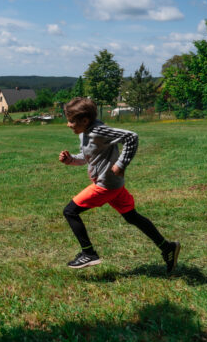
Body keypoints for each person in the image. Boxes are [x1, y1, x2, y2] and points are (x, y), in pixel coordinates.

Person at [58, 97, 180, 272]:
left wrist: (121, 164)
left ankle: (89, 253)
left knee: (70, 211)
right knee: (132, 217)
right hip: (114, 186)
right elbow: (87, 157)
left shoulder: (98, 131)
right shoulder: (85, 133)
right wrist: (71, 160)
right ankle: (167, 247)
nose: (68, 125)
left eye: (71, 121)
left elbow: (131, 137)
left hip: (106, 185)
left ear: (84, 120)